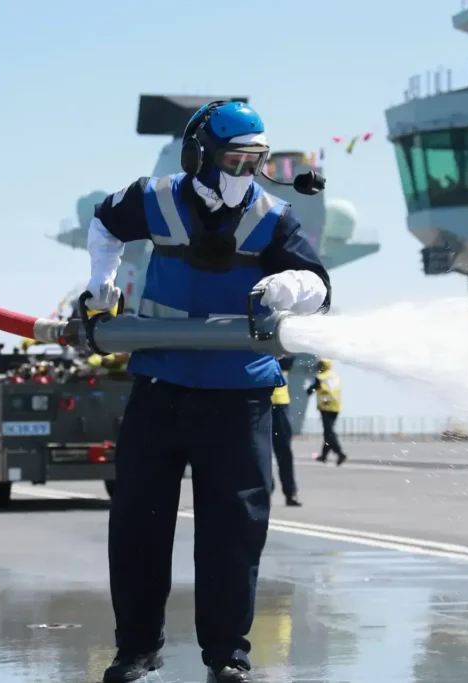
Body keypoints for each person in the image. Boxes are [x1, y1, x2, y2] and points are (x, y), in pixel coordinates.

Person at [84, 100, 331, 683]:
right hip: (161, 386)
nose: (244, 171)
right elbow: (104, 223)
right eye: (233, 158)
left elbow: (319, 287)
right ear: (199, 155)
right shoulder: (155, 197)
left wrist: (287, 284)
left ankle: (227, 656)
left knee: (234, 532)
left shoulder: (274, 216)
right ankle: (137, 651)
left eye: (255, 160)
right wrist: (101, 286)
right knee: (139, 526)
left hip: (238, 396)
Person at [270, 359, 300, 507]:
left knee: (284, 452)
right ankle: (266, 489)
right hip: (258, 404)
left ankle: (290, 492)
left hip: (280, 405)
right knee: (259, 451)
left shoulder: (278, 350)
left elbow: (288, 360)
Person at [307, 359, 346, 465]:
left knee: (329, 432)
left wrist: (308, 391)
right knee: (328, 432)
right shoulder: (335, 376)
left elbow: (312, 388)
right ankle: (324, 456)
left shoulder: (321, 377)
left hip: (326, 406)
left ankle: (339, 453)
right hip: (336, 406)